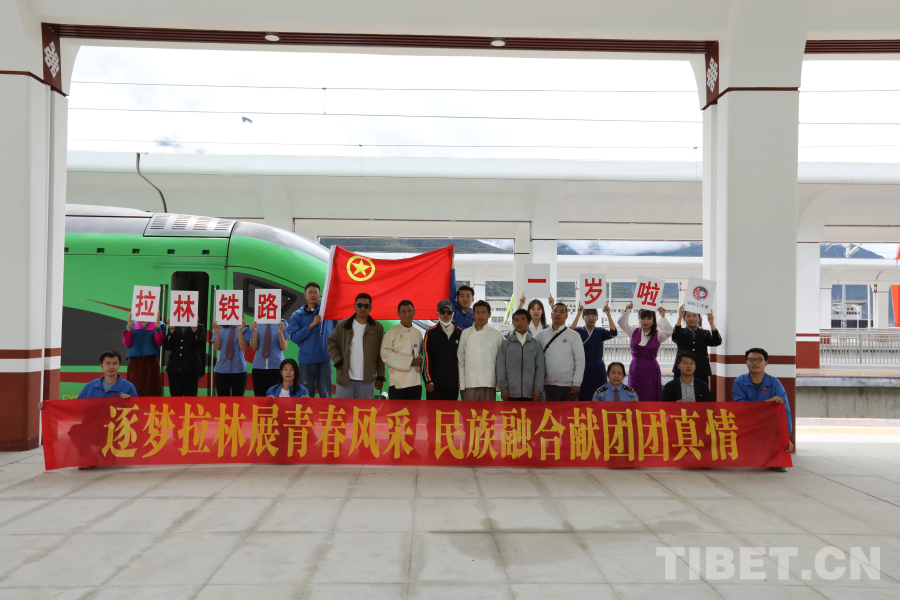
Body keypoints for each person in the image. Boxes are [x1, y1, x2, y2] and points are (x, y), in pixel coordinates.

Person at [733, 347, 794, 469]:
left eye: (759, 360)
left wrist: (786, 436)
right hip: (747, 423)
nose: (754, 363)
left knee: (778, 454)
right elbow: (742, 406)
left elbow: (784, 411)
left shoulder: (775, 383)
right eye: (751, 360)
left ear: (766, 363)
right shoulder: (739, 382)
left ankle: (778, 459)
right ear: (746, 363)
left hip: (768, 425)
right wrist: (765, 403)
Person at [328, 292, 385, 399]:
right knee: (342, 408)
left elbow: (381, 353)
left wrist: (380, 376)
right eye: (359, 305)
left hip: (367, 379)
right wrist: (338, 360)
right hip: (345, 377)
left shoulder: (377, 327)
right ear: (354, 307)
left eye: (366, 306)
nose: (362, 308)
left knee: (365, 409)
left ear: (370, 308)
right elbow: (331, 343)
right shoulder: (343, 325)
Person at [285, 282, 335, 398]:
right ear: (305, 295)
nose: (312, 295)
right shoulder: (297, 315)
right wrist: (311, 325)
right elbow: (295, 338)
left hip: (325, 360)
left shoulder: (327, 311)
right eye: (310, 292)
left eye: (315, 292)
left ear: (320, 295)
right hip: (306, 361)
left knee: (326, 395)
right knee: (306, 396)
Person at [617, 303, 673, 403]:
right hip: (635, 369)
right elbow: (621, 323)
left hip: (651, 370)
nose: (646, 321)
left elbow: (669, 332)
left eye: (649, 318)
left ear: (653, 319)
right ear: (639, 319)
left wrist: (663, 316)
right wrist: (627, 311)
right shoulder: (633, 331)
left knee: (650, 395)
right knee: (634, 395)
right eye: (642, 318)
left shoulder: (658, 334)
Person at [535, 303, 585, 402]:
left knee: (569, 412)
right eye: (555, 311)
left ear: (566, 316)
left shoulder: (574, 335)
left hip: (569, 385)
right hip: (547, 384)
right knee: (549, 412)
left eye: (561, 312)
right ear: (551, 314)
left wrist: (577, 383)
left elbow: (580, 360)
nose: (558, 314)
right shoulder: (541, 335)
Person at [570, 303, 618, 401]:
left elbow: (613, 333)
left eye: (593, 315)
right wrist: (578, 314)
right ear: (583, 317)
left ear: (597, 318)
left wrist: (608, 314)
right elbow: (570, 331)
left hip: (598, 367)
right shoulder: (579, 331)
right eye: (588, 315)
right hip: (582, 367)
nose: (591, 318)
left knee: (600, 392)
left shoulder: (600, 331)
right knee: (583, 393)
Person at [458, 300, 504, 400]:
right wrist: (462, 384)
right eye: (478, 312)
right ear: (473, 314)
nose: (480, 315)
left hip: (490, 382)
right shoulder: (465, 333)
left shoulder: (497, 334)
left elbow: (501, 360)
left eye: (483, 312)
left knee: (488, 410)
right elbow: (461, 360)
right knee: (470, 410)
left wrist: (499, 384)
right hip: (470, 383)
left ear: (489, 314)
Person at [496, 309, 545, 401]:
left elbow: (540, 368)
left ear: (529, 322)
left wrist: (537, 390)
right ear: (513, 322)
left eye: (522, 319)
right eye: (516, 320)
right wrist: (503, 388)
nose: (519, 323)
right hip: (510, 393)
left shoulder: (536, 344)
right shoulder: (506, 343)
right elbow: (500, 367)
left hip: (531, 393)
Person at [380, 300, 424, 400]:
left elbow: (422, 353)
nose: (407, 314)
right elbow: (384, 354)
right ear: (398, 313)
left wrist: (420, 359)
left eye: (409, 311)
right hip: (397, 383)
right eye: (403, 311)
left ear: (414, 312)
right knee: (396, 410)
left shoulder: (418, 333)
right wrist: (409, 361)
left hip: (415, 381)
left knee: (414, 410)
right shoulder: (391, 332)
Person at [422, 300, 462, 400]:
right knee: (433, 410)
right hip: (434, 385)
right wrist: (428, 380)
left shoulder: (460, 333)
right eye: (443, 312)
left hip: (454, 385)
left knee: (452, 410)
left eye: (449, 312)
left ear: (453, 313)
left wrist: (462, 382)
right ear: (437, 314)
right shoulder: (430, 333)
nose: (446, 314)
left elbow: (463, 360)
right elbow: (426, 358)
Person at [672, 305, 722, 386]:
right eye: (688, 316)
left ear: (699, 318)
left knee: (702, 393)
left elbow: (717, 342)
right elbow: (675, 338)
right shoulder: (680, 332)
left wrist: (711, 323)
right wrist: (679, 318)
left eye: (694, 315)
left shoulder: (705, 333)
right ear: (684, 318)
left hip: (701, 371)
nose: (691, 318)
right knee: (679, 392)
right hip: (682, 371)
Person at [123, 314, 166, 397]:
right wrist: (129, 326)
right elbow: (127, 344)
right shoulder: (133, 324)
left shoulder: (160, 324)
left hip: (151, 360)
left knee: (151, 387)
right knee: (134, 386)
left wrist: (157, 327)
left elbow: (159, 343)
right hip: (135, 361)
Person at [163, 319, 205, 397]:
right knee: (175, 398)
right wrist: (171, 331)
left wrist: (195, 331)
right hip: (174, 369)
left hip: (192, 369)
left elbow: (201, 346)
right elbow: (167, 346)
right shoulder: (174, 325)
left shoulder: (199, 327)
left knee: (190, 399)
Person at [212, 319, 252, 396]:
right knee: (222, 400)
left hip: (239, 369)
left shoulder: (245, 328)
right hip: (221, 369)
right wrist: (217, 332)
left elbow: (242, 347)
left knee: (238, 400)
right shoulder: (219, 326)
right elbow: (217, 347)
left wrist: (239, 330)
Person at [250, 317, 288, 396]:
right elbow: (254, 347)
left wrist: (280, 332)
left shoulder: (282, 323)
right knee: (260, 398)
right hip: (259, 366)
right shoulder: (256, 323)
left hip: (277, 366)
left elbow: (283, 347)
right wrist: (254, 331)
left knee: (276, 397)